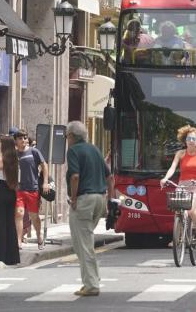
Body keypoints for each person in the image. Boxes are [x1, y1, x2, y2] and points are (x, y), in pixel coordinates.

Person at [65, 121, 115, 297]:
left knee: (83, 244)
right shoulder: (94, 149)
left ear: (71, 136)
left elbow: (75, 176)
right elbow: (109, 177)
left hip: (84, 199)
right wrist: (110, 198)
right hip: (99, 198)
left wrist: (74, 198)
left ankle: (91, 284)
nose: (67, 140)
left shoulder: (73, 151)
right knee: (86, 241)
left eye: (67, 136)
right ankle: (94, 277)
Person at [160, 125, 196, 245]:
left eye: (193, 139)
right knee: (178, 210)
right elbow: (172, 168)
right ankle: (178, 237)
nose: (191, 141)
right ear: (185, 140)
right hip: (182, 185)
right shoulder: (180, 153)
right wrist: (165, 178)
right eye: (189, 139)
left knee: (192, 210)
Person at [13, 129, 49, 249]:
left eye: (25, 137)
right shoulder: (14, 154)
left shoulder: (34, 151)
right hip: (19, 190)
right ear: (15, 141)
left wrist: (45, 182)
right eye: (20, 138)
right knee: (19, 213)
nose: (23, 140)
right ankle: (18, 241)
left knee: (34, 216)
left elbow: (44, 165)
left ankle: (39, 236)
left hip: (33, 189)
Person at [0, 136, 20, 265]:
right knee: (10, 224)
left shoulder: (0, 160)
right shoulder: (15, 160)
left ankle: (1, 255)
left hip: (0, 189)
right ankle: (12, 256)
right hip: (11, 191)